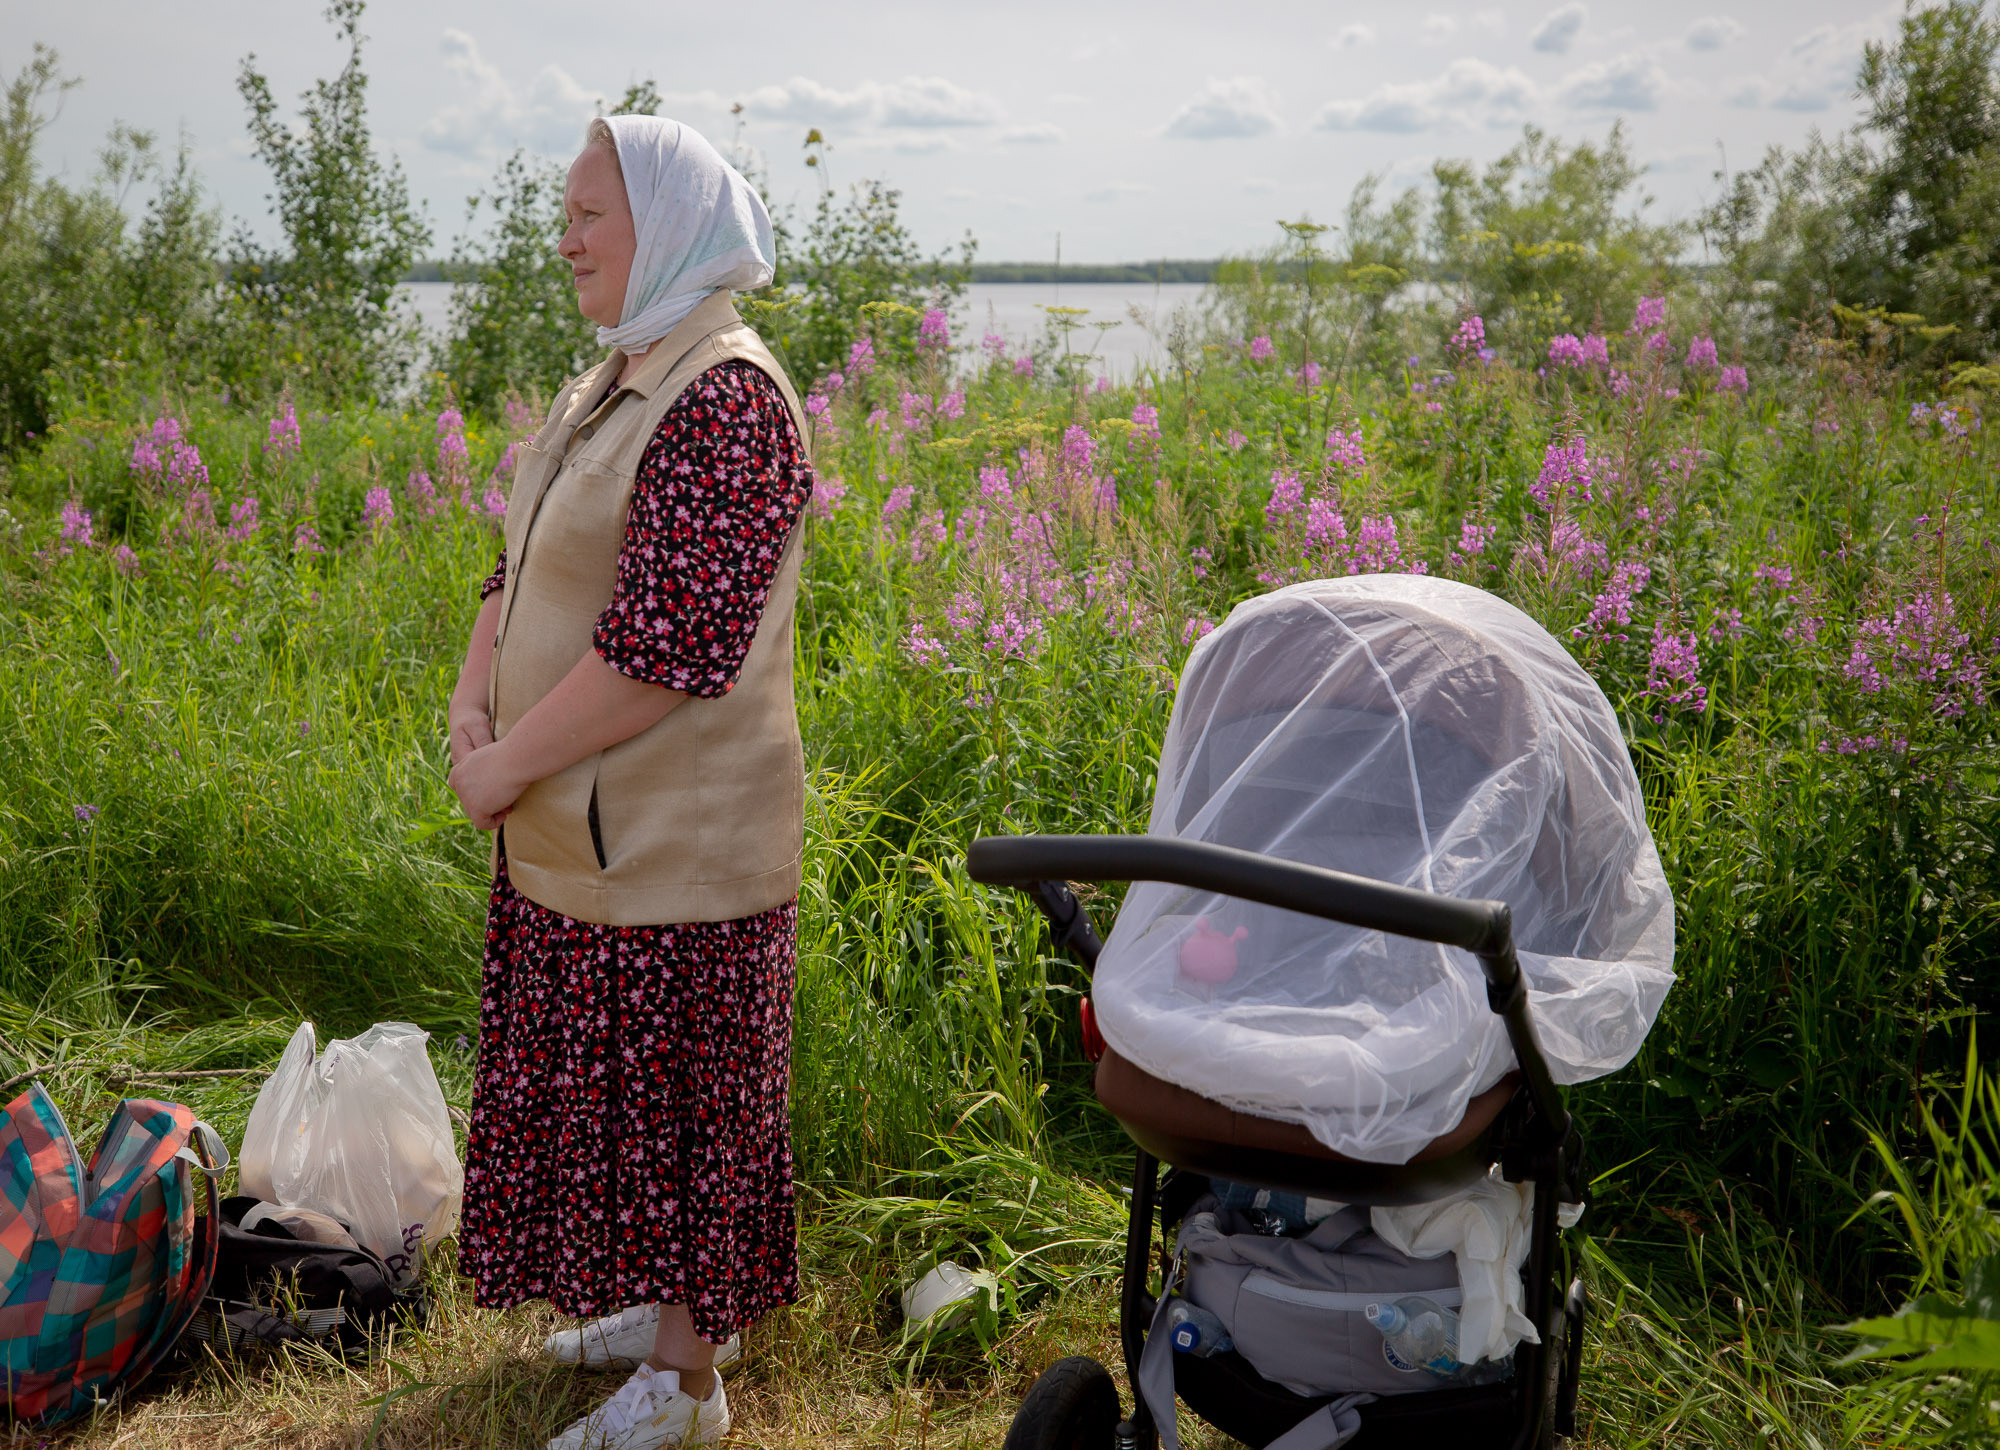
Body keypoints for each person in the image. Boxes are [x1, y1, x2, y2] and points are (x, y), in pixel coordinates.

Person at [444, 114, 813, 1450]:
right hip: (581, 824)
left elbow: (667, 653)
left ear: (667, 225)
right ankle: (663, 1302)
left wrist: (498, 770)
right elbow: (522, 552)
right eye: (568, 213)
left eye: (592, 214)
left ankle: (686, 1379)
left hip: (681, 843)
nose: (567, 238)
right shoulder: (612, 375)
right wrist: (469, 695)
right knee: (625, 1088)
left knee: (687, 1097)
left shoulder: (726, 396)